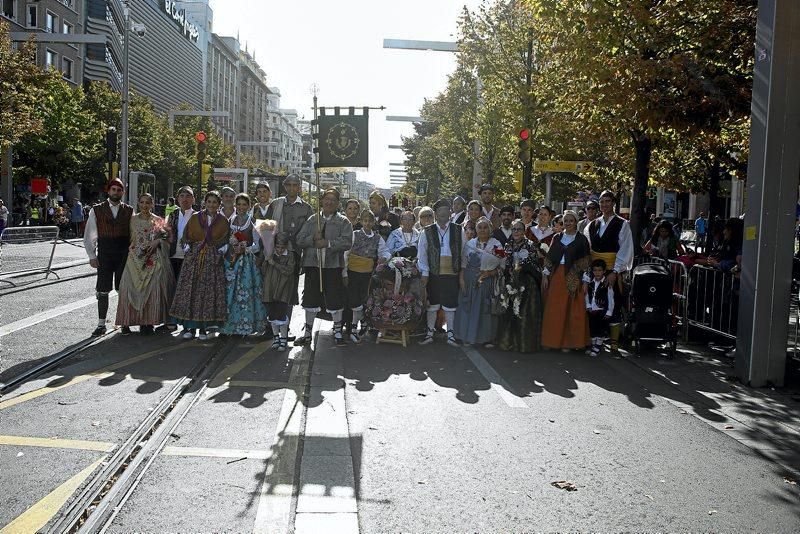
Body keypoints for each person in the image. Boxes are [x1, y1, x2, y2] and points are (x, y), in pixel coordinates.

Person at [170, 190, 230, 341]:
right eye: (209, 202)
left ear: (219, 204)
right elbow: (185, 237)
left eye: (214, 202)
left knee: (206, 294)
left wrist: (221, 250)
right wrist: (188, 249)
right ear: (204, 202)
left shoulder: (223, 221)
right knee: (191, 291)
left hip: (212, 260)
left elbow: (225, 239)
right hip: (194, 259)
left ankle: (203, 328)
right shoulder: (196, 218)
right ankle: (189, 327)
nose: (211, 205)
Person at [295, 188, 353, 346]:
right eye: (326, 199)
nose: (329, 202)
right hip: (313, 265)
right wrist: (313, 239)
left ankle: (338, 332)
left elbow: (347, 242)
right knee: (310, 299)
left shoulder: (343, 221)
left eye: (333, 199)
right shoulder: (313, 220)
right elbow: (300, 239)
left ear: (338, 203)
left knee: (335, 299)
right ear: (321, 201)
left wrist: (327, 243)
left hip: (333, 266)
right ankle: (307, 333)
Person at [115, 193, 175, 334]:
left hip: (152, 260)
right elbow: (125, 239)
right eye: (142, 202)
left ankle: (147, 323)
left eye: (148, 202)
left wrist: (158, 241)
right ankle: (126, 322)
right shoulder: (131, 220)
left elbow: (168, 237)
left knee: (152, 289)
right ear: (138, 203)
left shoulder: (158, 220)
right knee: (128, 288)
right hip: (134, 260)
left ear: (152, 204)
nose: (144, 205)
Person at [583, 190, 634, 351]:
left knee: (613, 303)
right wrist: (587, 274)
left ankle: (614, 342)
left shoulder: (622, 224)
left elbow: (625, 249)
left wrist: (615, 271)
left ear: (613, 203)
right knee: (594, 304)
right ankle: (595, 338)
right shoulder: (592, 224)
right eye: (602, 201)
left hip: (612, 269)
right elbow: (588, 249)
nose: (604, 204)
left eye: (608, 201)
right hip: (594, 271)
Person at [84, 179, 134, 336]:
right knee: (103, 289)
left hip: (123, 254)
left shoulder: (129, 210)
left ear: (123, 193)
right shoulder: (97, 210)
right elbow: (90, 234)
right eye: (113, 189)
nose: (116, 193)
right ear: (108, 191)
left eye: (119, 190)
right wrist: (92, 255)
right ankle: (101, 324)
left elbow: (133, 233)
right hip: (104, 254)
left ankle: (124, 322)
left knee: (123, 289)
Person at [417, 198, 466, 346]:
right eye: (440, 212)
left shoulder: (459, 229)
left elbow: (464, 252)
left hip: (452, 272)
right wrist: (425, 273)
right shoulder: (427, 231)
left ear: (450, 213)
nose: (443, 214)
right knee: (432, 304)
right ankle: (429, 333)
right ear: (435, 214)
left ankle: (450, 334)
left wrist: (461, 273)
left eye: (446, 211)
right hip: (434, 273)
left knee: (450, 304)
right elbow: (422, 254)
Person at [541, 210, 591, 351]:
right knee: (554, 309)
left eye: (571, 220)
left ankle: (568, 343)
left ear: (576, 222)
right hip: (557, 276)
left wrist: (586, 281)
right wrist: (545, 274)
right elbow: (550, 257)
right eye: (566, 221)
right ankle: (551, 341)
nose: (568, 223)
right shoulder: (557, 237)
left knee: (570, 311)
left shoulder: (582, 239)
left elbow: (586, 261)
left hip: (574, 275)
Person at [220, 193, 268, 336]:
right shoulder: (230, 220)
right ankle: (230, 325)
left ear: (249, 206)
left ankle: (246, 325)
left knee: (245, 293)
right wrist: (230, 244)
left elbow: (257, 245)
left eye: (244, 204)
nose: (241, 207)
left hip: (246, 263)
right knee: (230, 293)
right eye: (239, 204)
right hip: (231, 260)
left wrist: (245, 247)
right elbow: (226, 238)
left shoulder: (252, 222)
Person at [453, 217, 502, 347]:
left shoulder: (496, 244)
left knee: (484, 309)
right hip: (469, 281)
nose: (482, 230)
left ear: (490, 229)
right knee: (467, 307)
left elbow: (502, 266)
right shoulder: (470, 244)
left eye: (485, 227)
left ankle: (486, 339)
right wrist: (461, 280)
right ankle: (466, 337)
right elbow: (463, 264)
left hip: (486, 281)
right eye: (479, 227)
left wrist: (489, 273)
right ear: (476, 229)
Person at [496, 220, 543, 352]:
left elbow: (534, 265)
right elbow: (506, 263)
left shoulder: (530, 245)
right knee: (509, 311)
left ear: (524, 231)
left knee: (523, 313)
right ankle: (509, 342)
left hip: (527, 284)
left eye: (519, 229)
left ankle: (524, 344)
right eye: (514, 229)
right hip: (511, 282)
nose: (516, 232)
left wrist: (522, 269)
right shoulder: (508, 244)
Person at [346, 209, 390, 343]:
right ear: (361, 221)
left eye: (370, 221)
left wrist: (384, 258)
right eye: (365, 221)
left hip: (367, 273)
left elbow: (385, 251)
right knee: (354, 300)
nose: (367, 223)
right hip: (353, 272)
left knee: (364, 299)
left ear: (373, 222)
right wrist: (344, 271)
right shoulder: (355, 234)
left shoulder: (377, 238)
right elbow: (346, 252)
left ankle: (359, 325)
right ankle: (355, 326)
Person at [261, 232, 296, 351]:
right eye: (277, 247)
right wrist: (266, 261)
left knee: (281, 315)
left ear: (286, 246)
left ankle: (284, 339)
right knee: (272, 315)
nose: (280, 250)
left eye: (282, 247)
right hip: (270, 288)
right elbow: (263, 271)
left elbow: (289, 271)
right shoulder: (270, 255)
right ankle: (276, 338)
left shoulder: (290, 256)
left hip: (283, 289)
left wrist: (274, 263)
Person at [586, 258, 614, 357]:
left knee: (601, 329)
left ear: (604, 271)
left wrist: (609, 311)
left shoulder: (607, 284)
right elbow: (586, 295)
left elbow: (610, 298)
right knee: (592, 328)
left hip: (602, 311)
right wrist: (588, 306)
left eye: (600, 270)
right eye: (595, 270)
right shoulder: (590, 283)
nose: (597, 273)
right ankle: (593, 345)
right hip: (592, 310)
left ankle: (597, 346)